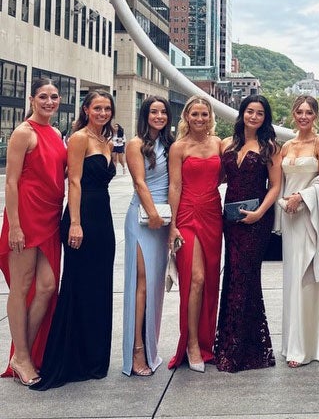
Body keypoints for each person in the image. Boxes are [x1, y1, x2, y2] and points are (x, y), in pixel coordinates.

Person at [32, 90, 116, 391]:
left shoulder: (107, 140)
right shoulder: (80, 138)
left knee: (100, 286)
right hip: (83, 217)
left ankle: (95, 356)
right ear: (86, 109)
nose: (103, 113)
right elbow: (75, 181)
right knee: (79, 284)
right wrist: (76, 224)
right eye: (97, 108)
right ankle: (74, 356)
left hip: (104, 217)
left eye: (107, 108)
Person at [0, 78, 67, 386]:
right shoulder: (23, 133)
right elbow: (11, 182)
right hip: (26, 216)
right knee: (22, 285)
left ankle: (22, 351)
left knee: (47, 286)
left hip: (50, 215)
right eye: (43, 96)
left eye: (54, 97)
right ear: (31, 99)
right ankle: (23, 358)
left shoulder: (55, 133)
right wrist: (14, 226)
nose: (49, 101)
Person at [214, 95, 281, 372]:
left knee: (247, 277)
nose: (254, 117)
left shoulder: (270, 147)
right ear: (242, 114)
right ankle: (229, 345)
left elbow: (275, 186)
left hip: (257, 221)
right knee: (232, 275)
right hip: (230, 220)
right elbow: (217, 177)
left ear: (265, 118)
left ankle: (245, 350)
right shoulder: (226, 144)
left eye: (260, 113)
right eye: (250, 112)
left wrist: (259, 213)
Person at [275, 95, 319, 368]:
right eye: (299, 111)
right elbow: (276, 182)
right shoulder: (285, 146)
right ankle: (291, 344)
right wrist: (284, 202)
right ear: (293, 113)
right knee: (291, 279)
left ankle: (309, 347)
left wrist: (303, 197)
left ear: (315, 115)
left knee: (307, 277)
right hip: (289, 216)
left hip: (309, 215)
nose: (304, 116)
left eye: (309, 112)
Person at [167, 96, 223, 372]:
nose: (199, 119)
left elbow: (227, 175)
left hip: (213, 214)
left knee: (211, 280)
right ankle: (190, 344)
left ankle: (206, 342)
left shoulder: (218, 144)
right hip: (188, 214)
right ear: (186, 117)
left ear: (210, 116)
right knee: (195, 279)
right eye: (195, 114)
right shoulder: (178, 148)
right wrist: (172, 225)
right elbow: (175, 187)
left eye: (204, 114)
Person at [122, 97, 174, 376]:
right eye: (153, 111)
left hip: (163, 219)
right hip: (143, 219)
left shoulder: (169, 145)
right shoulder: (135, 144)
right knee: (140, 284)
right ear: (145, 115)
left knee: (155, 286)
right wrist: (152, 213)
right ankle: (136, 350)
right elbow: (139, 182)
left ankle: (151, 348)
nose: (159, 116)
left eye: (163, 112)